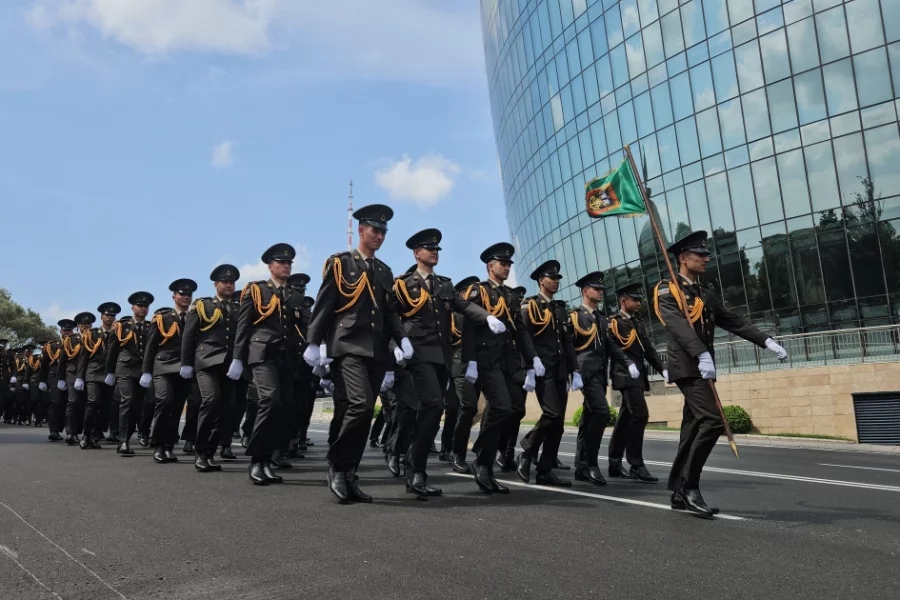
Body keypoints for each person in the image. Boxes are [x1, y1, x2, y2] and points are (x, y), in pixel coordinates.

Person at [654, 230, 787, 517]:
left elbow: (732, 320)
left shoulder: (704, 293)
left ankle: (678, 489)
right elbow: (676, 324)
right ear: (682, 258)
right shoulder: (667, 290)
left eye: (706, 254)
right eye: (700, 254)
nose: (706, 258)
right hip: (688, 366)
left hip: (703, 367)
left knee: (691, 429)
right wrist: (701, 353)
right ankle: (690, 486)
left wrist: (766, 340)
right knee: (713, 422)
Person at [306, 204, 408, 503]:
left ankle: (349, 473)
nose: (379, 236)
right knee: (361, 406)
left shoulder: (384, 271)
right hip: (347, 344)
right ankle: (337, 468)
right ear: (361, 230)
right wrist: (315, 342)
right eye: (375, 230)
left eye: (383, 232)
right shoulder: (341, 264)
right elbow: (325, 304)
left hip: (376, 350)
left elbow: (389, 316)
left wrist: (400, 342)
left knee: (362, 414)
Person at [390, 228, 501, 497]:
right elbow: (389, 317)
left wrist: (486, 317)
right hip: (416, 354)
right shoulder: (403, 284)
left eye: (438, 249)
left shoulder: (445, 285)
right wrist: (395, 345)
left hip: (441, 356)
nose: (435, 252)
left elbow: (463, 307)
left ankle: (414, 467)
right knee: (433, 405)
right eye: (429, 249)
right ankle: (415, 470)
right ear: (417, 253)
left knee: (431, 413)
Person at [462, 242, 542, 493]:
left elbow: (520, 331)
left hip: (508, 360)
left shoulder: (511, 295)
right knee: (501, 406)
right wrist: (471, 360)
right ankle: (483, 462)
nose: (507, 267)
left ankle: (483, 456)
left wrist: (532, 359)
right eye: (502, 263)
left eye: (509, 264)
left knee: (512, 410)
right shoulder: (478, 291)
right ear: (490, 266)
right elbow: (469, 327)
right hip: (487, 359)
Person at [233, 243, 302, 486]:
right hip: (262, 353)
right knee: (269, 400)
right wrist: (237, 359)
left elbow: (303, 326)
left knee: (282, 408)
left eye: (289, 263)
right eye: (281, 263)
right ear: (270, 266)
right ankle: (256, 460)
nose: (286, 266)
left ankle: (267, 461)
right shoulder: (256, 290)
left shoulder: (294, 295)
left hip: (287, 356)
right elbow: (243, 326)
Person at [570, 272, 637, 485]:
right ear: (584, 291)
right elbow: (568, 347)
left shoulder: (601, 318)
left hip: (599, 374)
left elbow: (611, 346)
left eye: (601, 289)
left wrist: (628, 363)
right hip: (584, 374)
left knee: (589, 418)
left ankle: (580, 466)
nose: (600, 292)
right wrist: (572, 372)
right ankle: (591, 464)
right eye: (595, 288)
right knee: (601, 413)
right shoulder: (575, 316)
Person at [516, 260, 578, 487]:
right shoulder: (530, 305)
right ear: (541, 280)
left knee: (559, 423)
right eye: (552, 278)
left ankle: (545, 469)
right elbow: (523, 338)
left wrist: (575, 370)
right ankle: (527, 450)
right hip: (543, 370)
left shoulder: (560, 308)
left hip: (560, 371)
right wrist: (530, 367)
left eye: (558, 278)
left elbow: (567, 342)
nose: (556, 282)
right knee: (551, 414)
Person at [182, 265, 241, 472]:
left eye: (232, 282)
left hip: (229, 364)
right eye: (225, 282)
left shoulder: (238, 308)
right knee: (211, 401)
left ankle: (210, 452)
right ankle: (200, 451)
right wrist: (186, 363)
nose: (228, 285)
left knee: (225, 409)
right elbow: (189, 336)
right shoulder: (202, 306)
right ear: (215, 284)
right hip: (206, 361)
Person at [607, 283, 667, 482]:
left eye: (640, 299)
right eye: (635, 299)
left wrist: (663, 369)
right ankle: (636, 464)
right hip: (625, 375)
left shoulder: (638, 323)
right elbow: (614, 350)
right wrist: (627, 365)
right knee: (640, 415)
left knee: (625, 417)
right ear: (623, 301)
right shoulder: (613, 322)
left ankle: (614, 462)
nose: (639, 303)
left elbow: (648, 349)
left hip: (638, 376)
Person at [143, 280, 197, 464]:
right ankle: (158, 443)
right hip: (163, 366)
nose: (185, 297)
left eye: (188, 295)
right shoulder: (162, 318)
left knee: (175, 407)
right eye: (182, 294)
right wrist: (146, 371)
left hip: (184, 368)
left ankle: (168, 446)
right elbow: (151, 346)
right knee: (165, 402)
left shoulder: (195, 316)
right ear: (174, 296)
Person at [108, 291, 153, 455]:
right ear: (133, 307)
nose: (143, 309)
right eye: (140, 306)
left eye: (146, 306)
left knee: (138, 405)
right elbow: (112, 351)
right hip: (125, 369)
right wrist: (110, 372)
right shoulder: (122, 326)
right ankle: (123, 441)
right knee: (127, 401)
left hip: (142, 371)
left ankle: (127, 435)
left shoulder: (151, 326)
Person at [445, 276, 480, 473]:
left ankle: (478, 449)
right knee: (467, 407)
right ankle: (455, 452)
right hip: (459, 364)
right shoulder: (457, 314)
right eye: (469, 291)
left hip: (479, 364)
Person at [76, 302, 120, 449]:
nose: (110, 317)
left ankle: (95, 436)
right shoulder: (92, 334)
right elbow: (83, 357)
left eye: (112, 315)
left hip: (109, 375)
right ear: (102, 316)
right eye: (107, 315)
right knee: (93, 403)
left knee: (105, 407)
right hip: (93, 373)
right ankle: (86, 435)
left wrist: (114, 373)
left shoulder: (118, 333)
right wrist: (79, 377)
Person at [495, 284, 529, 472]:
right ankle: (497, 450)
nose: (521, 302)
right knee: (501, 411)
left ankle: (507, 450)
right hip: (503, 366)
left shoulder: (519, 316)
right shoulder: (504, 315)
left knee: (517, 411)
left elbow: (526, 340)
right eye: (518, 299)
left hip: (520, 367)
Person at [58, 312, 94, 445]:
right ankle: (71, 433)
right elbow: (62, 361)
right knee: (73, 402)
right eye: (83, 324)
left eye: (88, 324)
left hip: (89, 374)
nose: (86, 326)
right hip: (72, 374)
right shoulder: (71, 339)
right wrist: (60, 379)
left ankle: (82, 431)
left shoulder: (95, 338)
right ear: (78, 325)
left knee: (86, 403)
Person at [40, 321, 72, 441]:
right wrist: (42, 380)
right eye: (65, 330)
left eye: (69, 331)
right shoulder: (52, 345)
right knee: (55, 402)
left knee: (67, 404)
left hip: (69, 376)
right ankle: (54, 431)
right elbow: (44, 364)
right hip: (54, 377)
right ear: (61, 331)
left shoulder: (76, 343)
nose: (67, 333)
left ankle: (65, 430)